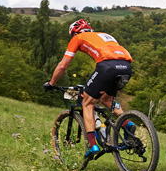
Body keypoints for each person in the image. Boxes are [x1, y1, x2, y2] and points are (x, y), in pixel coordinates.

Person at [45, 19, 134, 159]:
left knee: (87, 102)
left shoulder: (77, 38)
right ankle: (127, 123)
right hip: (127, 67)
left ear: (74, 32)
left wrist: (51, 83)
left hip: (107, 67)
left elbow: (63, 66)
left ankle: (92, 145)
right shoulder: (105, 35)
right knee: (106, 98)